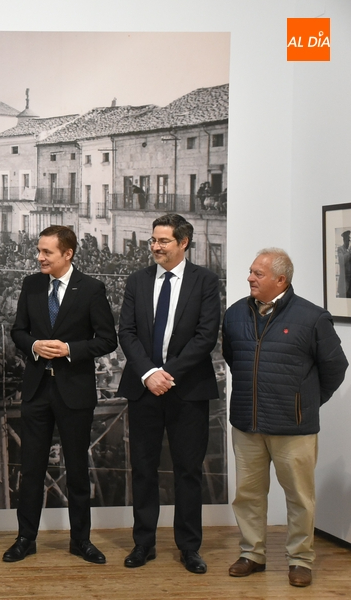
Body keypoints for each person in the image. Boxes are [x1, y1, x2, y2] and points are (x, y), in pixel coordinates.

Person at [223, 248, 347, 588]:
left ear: (281, 279)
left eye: (257, 274)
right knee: (248, 494)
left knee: (299, 497)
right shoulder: (234, 314)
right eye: (250, 271)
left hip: (294, 427)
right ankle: (252, 554)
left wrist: (304, 402)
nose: (249, 277)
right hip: (247, 425)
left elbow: (335, 367)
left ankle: (300, 560)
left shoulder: (312, 317)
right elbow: (232, 357)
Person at [3, 225, 117, 564]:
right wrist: (35, 345)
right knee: (31, 469)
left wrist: (70, 349)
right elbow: (18, 331)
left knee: (78, 470)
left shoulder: (92, 289)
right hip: (37, 391)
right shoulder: (31, 285)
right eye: (38, 250)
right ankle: (26, 538)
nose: (39, 257)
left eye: (46, 252)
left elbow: (107, 339)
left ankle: (80, 541)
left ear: (67, 254)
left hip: (75, 392)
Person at [117, 213, 220, 574]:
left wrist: (167, 374)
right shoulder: (137, 281)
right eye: (153, 240)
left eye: (163, 241)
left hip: (187, 390)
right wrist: (148, 373)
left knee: (187, 470)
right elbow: (126, 332)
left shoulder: (206, 281)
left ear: (183, 243)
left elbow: (206, 336)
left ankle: (189, 548)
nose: (155, 247)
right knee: (143, 469)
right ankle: (143, 544)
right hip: (144, 388)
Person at [337, 231, 351, 298]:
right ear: (344, 240)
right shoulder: (340, 249)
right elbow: (342, 261)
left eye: (349, 240)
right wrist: (349, 253)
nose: (349, 242)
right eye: (347, 240)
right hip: (344, 285)